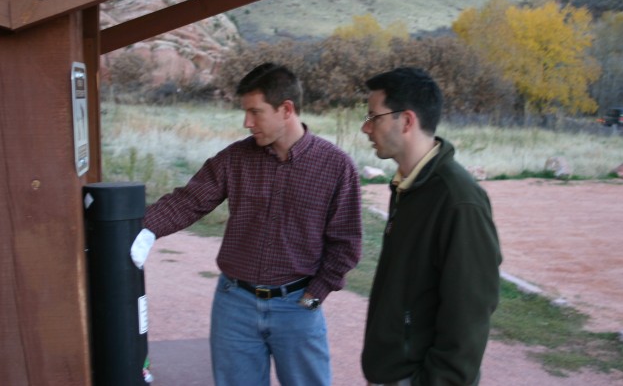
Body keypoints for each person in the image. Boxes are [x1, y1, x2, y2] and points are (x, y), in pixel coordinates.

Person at [130, 62, 363, 386]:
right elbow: (189, 200)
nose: (247, 122)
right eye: (245, 112)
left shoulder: (336, 166)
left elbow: (346, 241)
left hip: (298, 306)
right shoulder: (235, 158)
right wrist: (141, 228)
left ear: (286, 109)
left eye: (255, 112)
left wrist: (315, 295)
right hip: (234, 305)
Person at [360, 67, 501, 386]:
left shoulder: (458, 200)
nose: (366, 128)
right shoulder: (409, 186)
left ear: (407, 121)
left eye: (374, 117)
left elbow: (470, 313)